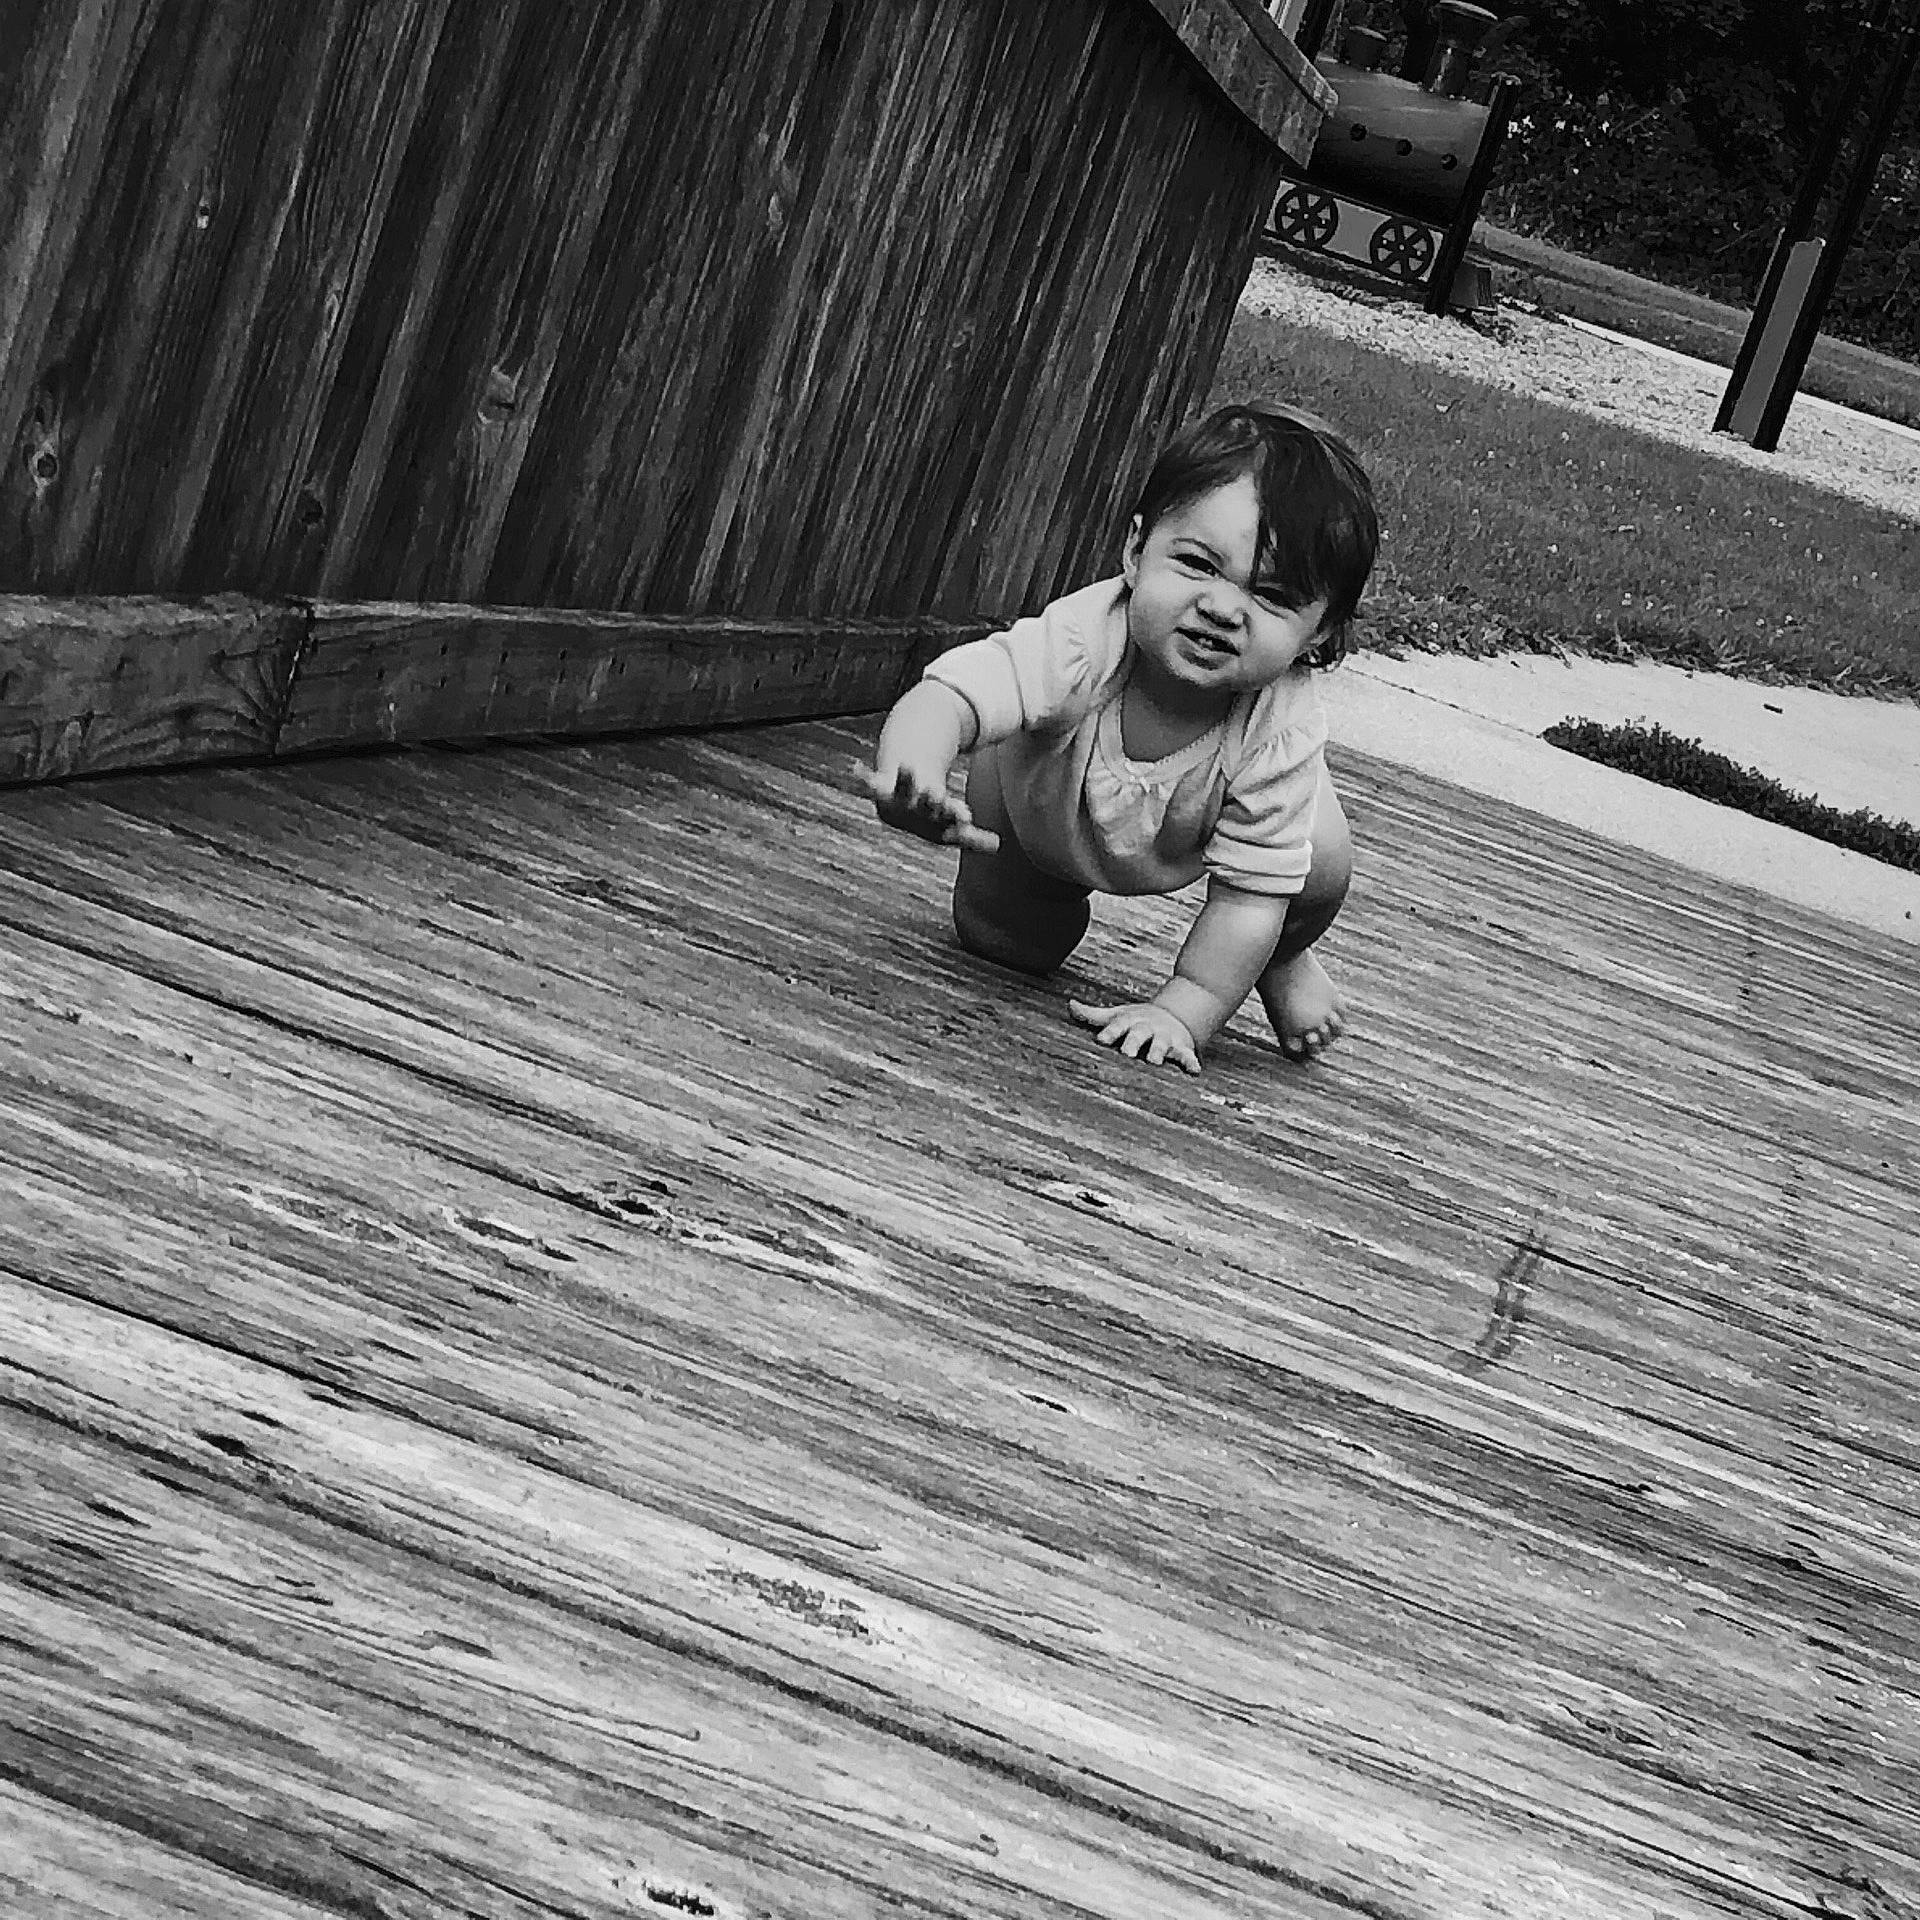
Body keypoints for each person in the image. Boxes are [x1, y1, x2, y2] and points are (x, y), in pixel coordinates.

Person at [865, 402, 1378, 1075]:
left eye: (1273, 597)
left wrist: (1182, 1010)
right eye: (1197, 564)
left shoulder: (1278, 727)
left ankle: (1279, 958)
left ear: (1319, 633)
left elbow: (1250, 900)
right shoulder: (1082, 639)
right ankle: (1028, 898)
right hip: (1033, 812)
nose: (1224, 608)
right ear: (1137, 551)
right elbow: (950, 696)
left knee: (1314, 865)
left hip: (1212, 832)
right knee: (1006, 944)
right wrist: (915, 773)